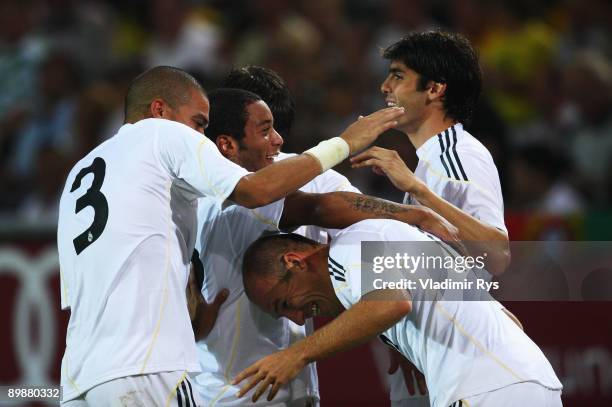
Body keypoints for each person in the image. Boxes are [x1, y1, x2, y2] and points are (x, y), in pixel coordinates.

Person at [57, 65, 404, 406]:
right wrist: (344, 143)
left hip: (82, 373)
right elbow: (259, 193)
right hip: (155, 368)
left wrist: (400, 336)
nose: (199, 136)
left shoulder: (88, 174)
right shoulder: (173, 148)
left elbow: (386, 252)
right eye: (199, 124)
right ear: (226, 142)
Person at [191, 87, 458, 406]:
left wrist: (397, 332)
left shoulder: (196, 198)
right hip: (235, 395)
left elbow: (363, 230)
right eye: (265, 130)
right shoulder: (226, 199)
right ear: (227, 144)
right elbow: (317, 208)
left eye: (276, 126)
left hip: (293, 388)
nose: (277, 139)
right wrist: (413, 211)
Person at [235, 220, 563, 407]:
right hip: (532, 381)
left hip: (488, 392)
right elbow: (510, 321)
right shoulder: (381, 241)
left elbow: (391, 303)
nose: (297, 318)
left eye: (285, 304)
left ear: (295, 262)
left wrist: (297, 355)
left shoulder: (349, 249)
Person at [349, 31, 512, 405]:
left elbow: (497, 256)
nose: (384, 85)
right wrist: (398, 330)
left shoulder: (459, 154)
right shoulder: (429, 161)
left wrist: (416, 189)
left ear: (435, 89)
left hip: (459, 362)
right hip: (428, 355)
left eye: (398, 75)